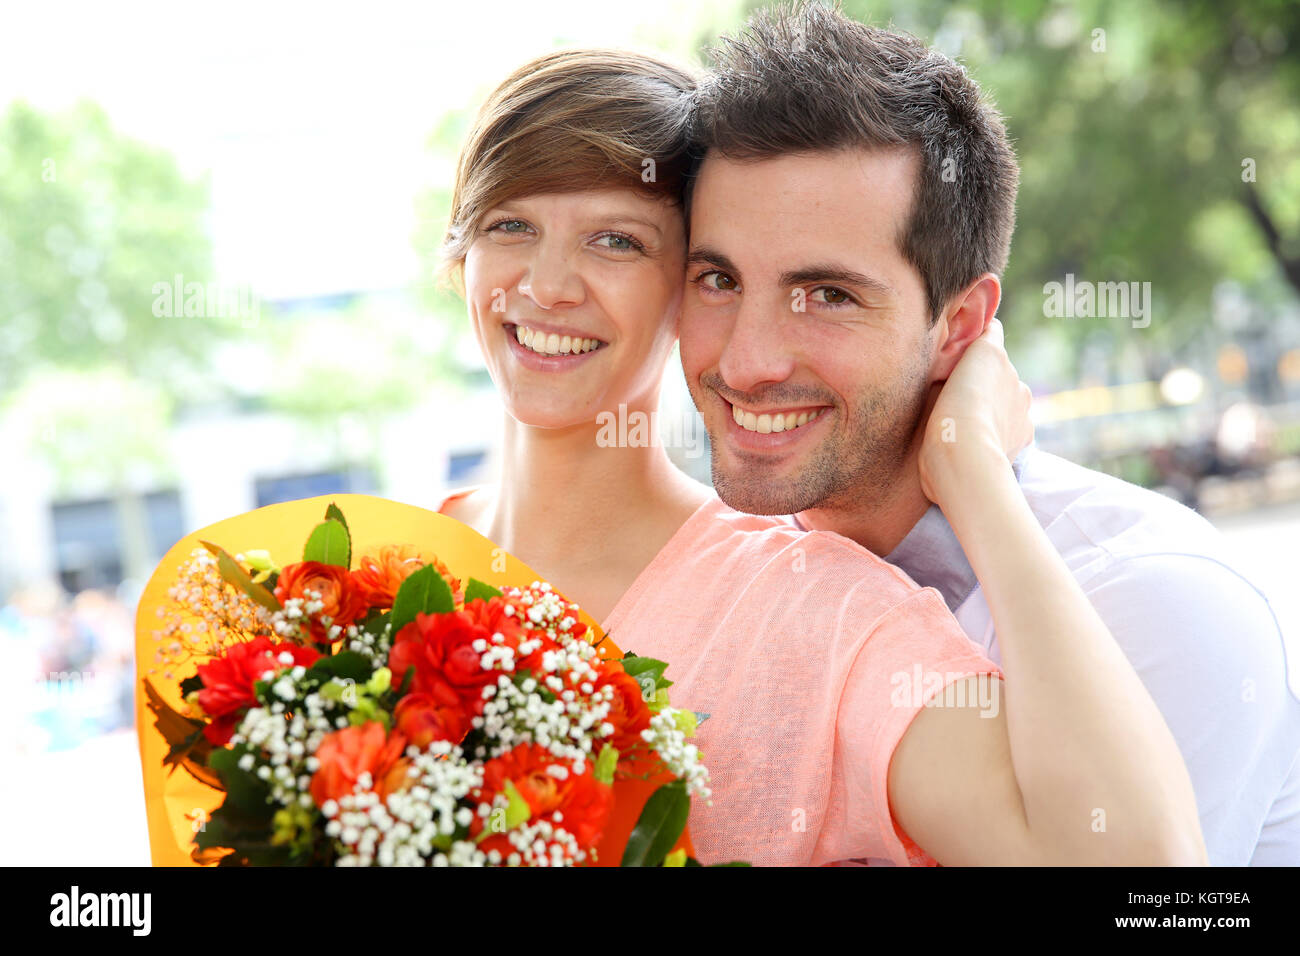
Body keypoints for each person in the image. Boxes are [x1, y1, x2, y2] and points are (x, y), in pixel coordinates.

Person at [436, 45, 1204, 865]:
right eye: (509, 224)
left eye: (616, 242)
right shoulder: (363, 563)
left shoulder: (815, 610)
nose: (548, 285)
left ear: (678, 284)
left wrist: (974, 474)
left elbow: (1140, 872)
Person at [676, 1, 1299, 865]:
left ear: (961, 327)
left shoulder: (1154, 604)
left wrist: (973, 478)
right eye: (716, 278)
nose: (745, 364)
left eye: (828, 295)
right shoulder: (721, 583)